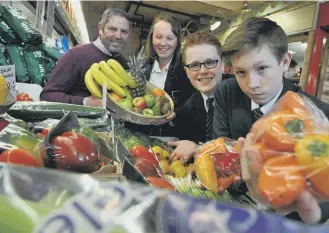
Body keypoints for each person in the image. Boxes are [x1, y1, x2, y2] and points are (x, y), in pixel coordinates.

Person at [213, 17, 329, 224]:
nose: (252, 84)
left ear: (284, 62)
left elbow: (322, 197)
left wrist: (306, 206)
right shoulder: (226, 91)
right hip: (234, 203)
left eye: (262, 69)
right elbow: (222, 144)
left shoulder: (319, 116)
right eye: (241, 72)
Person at [40, 8, 130, 107]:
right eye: (112, 29)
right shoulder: (75, 55)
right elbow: (47, 95)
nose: (118, 36)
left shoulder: (124, 64)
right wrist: (85, 102)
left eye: (124, 31)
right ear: (100, 28)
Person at [125, 13, 195, 137]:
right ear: (152, 39)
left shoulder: (186, 71)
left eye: (169, 38)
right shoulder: (142, 67)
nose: (163, 43)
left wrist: (175, 114)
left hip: (170, 138)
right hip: (137, 134)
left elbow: (193, 105)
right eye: (158, 37)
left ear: (177, 42)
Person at [165, 32, 223, 161]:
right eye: (194, 65)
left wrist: (199, 148)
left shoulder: (246, 95)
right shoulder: (189, 109)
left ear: (222, 64)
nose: (203, 71)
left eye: (210, 62)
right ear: (186, 71)